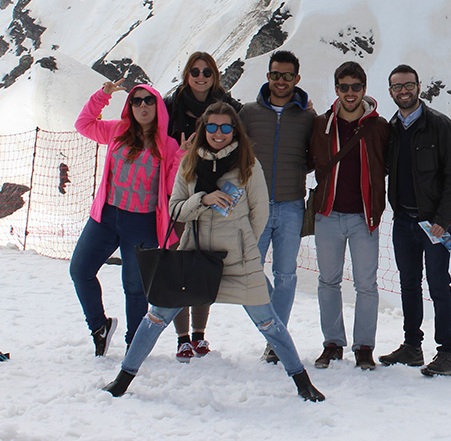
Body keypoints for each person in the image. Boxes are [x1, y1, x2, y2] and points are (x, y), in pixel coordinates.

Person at [102, 103, 324, 402]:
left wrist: (242, 243)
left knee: (269, 323)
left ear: (235, 131)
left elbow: (259, 214)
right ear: (203, 129)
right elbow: (175, 209)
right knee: (155, 317)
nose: (219, 133)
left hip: (238, 262)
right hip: (194, 256)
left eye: (226, 127)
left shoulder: (248, 165)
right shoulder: (189, 164)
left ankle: (302, 382)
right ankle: (123, 379)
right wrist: (202, 200)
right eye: (212, 127)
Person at [70, 81, 184, 355]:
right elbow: (83, 125)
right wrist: (103, 95)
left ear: (158, 106)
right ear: (130, 106)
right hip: (106, 217)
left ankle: (135, 343)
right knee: (80, 270)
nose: (143, 106)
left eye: (149, 100)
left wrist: (182, 155)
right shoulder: (117, 131)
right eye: (136, 101)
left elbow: (171, 188)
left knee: (134, 288)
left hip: (142, 223)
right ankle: (99, 327)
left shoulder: (168, 145)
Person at [378, 65, 451, 376]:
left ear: (418, 86)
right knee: (408, 285)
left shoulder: (440, 125)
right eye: (397, 86)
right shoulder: (391, 129)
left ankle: (448, 353)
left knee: (439, 285)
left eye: (408, 85)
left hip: (433, 224)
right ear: (390, 91)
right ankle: (412, 347)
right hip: (403, 221)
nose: (404, 91)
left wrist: (443, 218)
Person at [308, 61, 388, 370]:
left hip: (363, 218)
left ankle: (364, 347)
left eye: (355, 87)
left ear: (364, 89)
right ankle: (332, 344)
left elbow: (390, 164)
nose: (350, 93)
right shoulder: (321, 124)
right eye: (344, 87)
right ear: (336, 89)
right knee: (328, 281)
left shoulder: (379, 127)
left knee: (366, 285)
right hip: (328, 214)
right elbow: (306, 159)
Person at [163, 51, 242, 362]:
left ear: (215, 76)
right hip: (180, 193)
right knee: (179, 267)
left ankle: (199, 335)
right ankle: (182, 338)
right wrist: (178, 153)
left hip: (214, 195)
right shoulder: (171, 106)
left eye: (206, 72)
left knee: (203, 266)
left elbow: (247, 130)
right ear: (186, 74)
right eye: (195, 71)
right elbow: (154, 139)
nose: (200, 77)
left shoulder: (227, 106)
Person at [239, 50, 315, 363]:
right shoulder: (248, 113)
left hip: (292, 205)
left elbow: (314, 156)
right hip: (254, 207)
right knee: (246, 272)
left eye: (286, 76)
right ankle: (277, 332)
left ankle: (275, 344)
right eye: (275, 75)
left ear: (296, 78)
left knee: (285, 274)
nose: (280, 81)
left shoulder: (308, 118)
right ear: (267, 76)